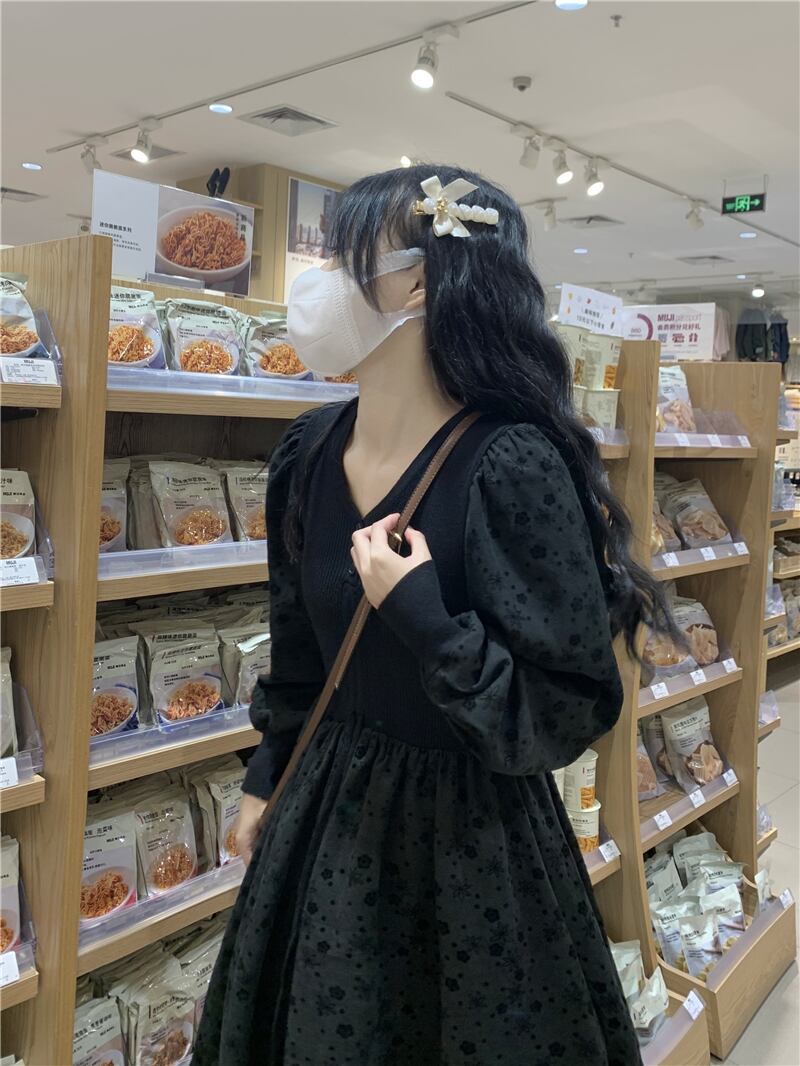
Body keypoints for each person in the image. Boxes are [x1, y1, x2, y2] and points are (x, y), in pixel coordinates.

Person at [194, 165, 673, 1066]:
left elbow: (567, 706)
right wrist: (266, 774)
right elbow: (298, 651)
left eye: (341, 257)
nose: (318, 282)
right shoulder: (308, 451)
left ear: (417, 283)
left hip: (472, 848)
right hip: (325, 823)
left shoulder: (511, 463)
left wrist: (427, 621)